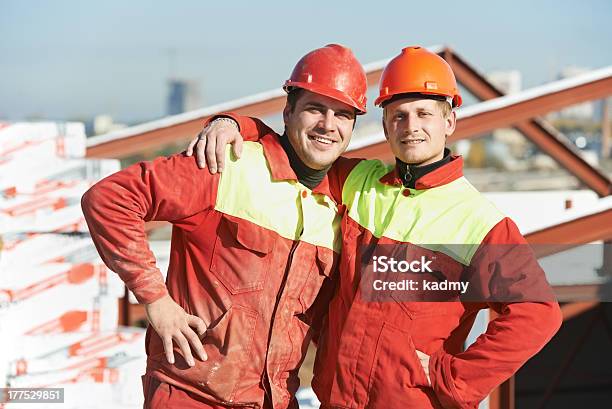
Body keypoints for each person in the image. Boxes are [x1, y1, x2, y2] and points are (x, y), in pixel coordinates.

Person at [189, 46, 562, 408]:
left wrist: (455, 379)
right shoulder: (358, 181)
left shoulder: (480, 222)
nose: (410, 126)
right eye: (398, 115)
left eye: (424, 114)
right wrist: (234, 123)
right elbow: (299, 147)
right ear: (384, 124)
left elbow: (538, 313)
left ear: (449, 121)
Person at [81, 44, 369, 409]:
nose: (328, 124)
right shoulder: (226, 164)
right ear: (289, 110)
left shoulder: (339, 204)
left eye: (343, 115)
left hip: (273, 402)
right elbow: (109, 200)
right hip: (191, 395)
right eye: (315, 108)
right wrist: (156, 301)